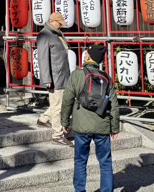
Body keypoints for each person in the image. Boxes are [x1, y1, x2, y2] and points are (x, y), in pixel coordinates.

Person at [61, 44, 119, 192]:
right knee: (105, 162)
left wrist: (65, 122)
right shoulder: (106, 78)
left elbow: (67, 99)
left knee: (80, 161)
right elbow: (113, 105)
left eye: (86, 53)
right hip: (102, 125)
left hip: (82, 125)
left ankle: (80, 190)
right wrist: (115, 127)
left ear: (88, 57)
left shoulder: (77, 74)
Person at [36, 11, 72, 146]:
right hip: (54, 77)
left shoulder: (57, 34)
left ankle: (44, 119)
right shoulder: (45, 35)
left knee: (60, 103)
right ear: (53, 21)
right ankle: (57, 135)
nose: (62, 26)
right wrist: (46, 79)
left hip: (62, 74)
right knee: (58, 106)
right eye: (60, 23)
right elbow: (43, 58)